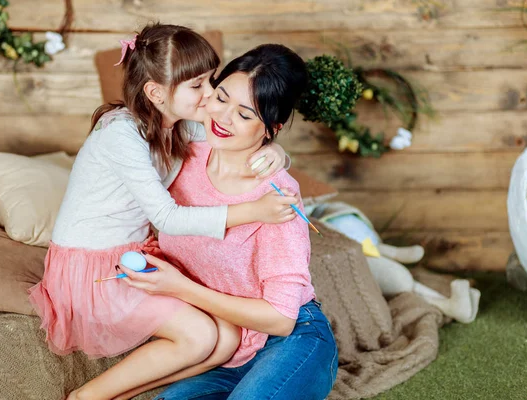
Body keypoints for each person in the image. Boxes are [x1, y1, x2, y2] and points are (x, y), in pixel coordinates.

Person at [28, 23, 298, 400]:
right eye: (197, 86)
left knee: (228, 338)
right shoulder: (121, 134)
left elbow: (246, 137)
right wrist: (254, 210)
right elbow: (168, 218)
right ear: (155, 93)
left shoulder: (179, 125)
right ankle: (85, 397)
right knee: (202, 335)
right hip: (90, 269)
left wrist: (278, 153)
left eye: (210, 82)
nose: (209, 98)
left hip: (127, 255)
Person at [119, 44, 338, 400]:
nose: (223, 118)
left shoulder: (277, 198)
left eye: (246, 114)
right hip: (227, 349)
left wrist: (180, 288)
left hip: (290, 339)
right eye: (221, 98)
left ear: (271, 128)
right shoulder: (180, 154)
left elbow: (281, 318)